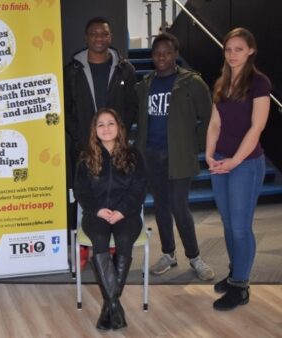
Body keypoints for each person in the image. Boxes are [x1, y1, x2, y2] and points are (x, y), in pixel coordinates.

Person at [135, 33, 215, 280]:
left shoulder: (192, 83)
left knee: (179, 206)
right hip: (151, 155)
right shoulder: (144, 85)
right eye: (157, 52)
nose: (162, 57)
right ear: (152, 56)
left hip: (178, 155)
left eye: (167, 52)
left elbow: (209, 118)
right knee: (160, 206)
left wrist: (195, 145)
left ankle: (195, 257)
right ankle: (168, 254)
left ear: (176, 54)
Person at [206, 27, 271, 311]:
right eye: (229, 49)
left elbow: (257, 127)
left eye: (239, 49)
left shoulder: (259, 83)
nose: (232, 55)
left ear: (251, 51)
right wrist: (209, 154)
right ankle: (236, 273)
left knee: (240, 227)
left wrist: (234, 161)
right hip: (221, 159)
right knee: (227, 222)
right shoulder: (222, 82)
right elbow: (214, 124)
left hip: (246, 164)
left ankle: (240, 288)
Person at [64, 16, 138, 237]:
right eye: (94, 34)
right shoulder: (71, 71)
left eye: (104, 34)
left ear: (111, 37)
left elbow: (131, 106)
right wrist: (80, 137)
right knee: (85, 194)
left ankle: (118, 241)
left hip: (116, 147)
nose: (99, 38)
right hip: (83, 147)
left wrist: (119, 136)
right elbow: (65, 110)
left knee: (117, 191)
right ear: (86, 37)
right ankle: (85, 244)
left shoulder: (126, 70)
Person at [74, 108, 146, 331]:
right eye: (100, 124)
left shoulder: (133, 155)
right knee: (99, 239)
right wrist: (97, 209)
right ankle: (115, 305)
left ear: (119, 127)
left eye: (110, 123)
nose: (106, 128)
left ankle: (109, 306)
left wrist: (122, 211)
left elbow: (139, 189)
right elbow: (81, 191)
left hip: (128, 214)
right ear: (94, 130)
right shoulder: (86, 157)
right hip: (96, 214)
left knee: (124, 239)